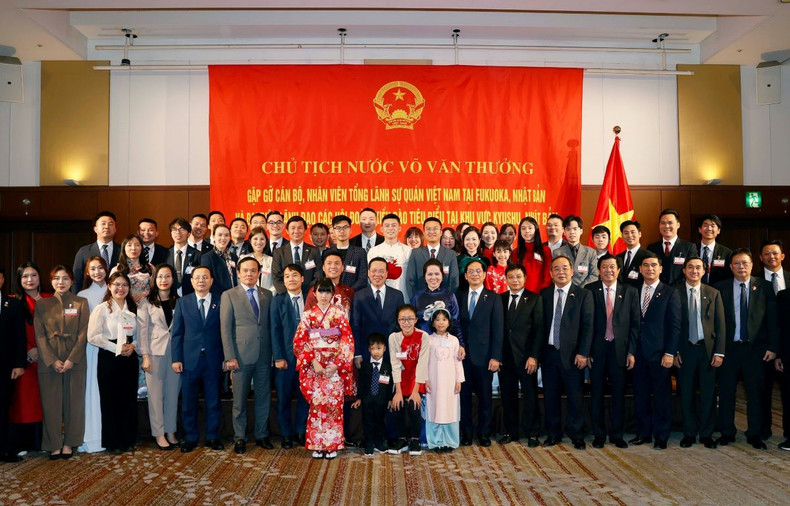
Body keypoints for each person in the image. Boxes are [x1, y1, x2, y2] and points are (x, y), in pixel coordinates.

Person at [714, 249, 778, 449]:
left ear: (752, 265)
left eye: (745, 263)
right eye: (737, 264)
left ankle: (755, 433)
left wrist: (773, 347)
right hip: (729, 349)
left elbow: (773, 320)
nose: (741, 267)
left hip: (756, 350)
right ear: (731, 266)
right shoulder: (719, 288)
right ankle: (727, 432)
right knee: (726, 392)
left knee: (755, 393)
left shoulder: (765, 287)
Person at [293, 278, 355, 459]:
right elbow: (299, 341)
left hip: (335, 365)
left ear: (332, 294)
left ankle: (333, 443)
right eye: (321, 291)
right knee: (317, 405)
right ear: (314, 293)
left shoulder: (339, 313)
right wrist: (313, 362)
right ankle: (317, 444)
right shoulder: (308, 315)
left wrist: (337, 363)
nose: (324, 295)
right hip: (315, 364)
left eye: (328, 291)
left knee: (334, 405)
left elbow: (347, 340)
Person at [34, 265, 89, 459]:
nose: (61, 282)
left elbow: (83, 334)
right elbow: (39, 336)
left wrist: (72, 360)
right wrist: (52, 360)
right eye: (57, 278)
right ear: (51, 281)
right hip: (50, 362)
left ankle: (70, 442)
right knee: (51, 405)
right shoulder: (42, 305)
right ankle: (53, 443)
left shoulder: (81, 302)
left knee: (74, 404)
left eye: (65, 278)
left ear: (71, 281)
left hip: (75, 361)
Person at [221, 257, 274, 454]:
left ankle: (261, 435)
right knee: (239, 400)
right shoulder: (229, 295)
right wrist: (230, 357)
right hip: (240, 357)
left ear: (259, 273)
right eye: (245, 271)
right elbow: (225, 329)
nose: (249, 274)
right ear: (238, 273)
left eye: (253, 271)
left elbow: (269, 326)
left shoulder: (267, 294)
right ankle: (240, 437)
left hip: (263, 355)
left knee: (263, 398)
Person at [586, 254, 640, 449]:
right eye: (605, 267)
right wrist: (587, 351)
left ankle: (617, 435)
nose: (608, 270)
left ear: (618, 270)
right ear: (599, 270)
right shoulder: (589, 290)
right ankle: (599, 434)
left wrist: (631, 351)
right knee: (596, 394)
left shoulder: (630, 292)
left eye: (612, 267)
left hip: (620, 350)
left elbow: (635, 325)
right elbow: (586, 324)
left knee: (619, 394)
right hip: (597, 351)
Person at [540, 256, 593, 449]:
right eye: (556, 269)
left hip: (573, 356)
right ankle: (553, 433)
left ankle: (576, 433)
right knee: (551, 396)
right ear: (551, 273)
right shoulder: (544, 294)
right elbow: (540, 326)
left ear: (572, 271)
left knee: (575, 397)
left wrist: (583, 353)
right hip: (549, 354)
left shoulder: (583, 295)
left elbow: (588, 326)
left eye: (565, 268)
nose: (561, 272)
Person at [171, 265, 225, 453]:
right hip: (189, 360)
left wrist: (226, 357)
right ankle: (190, 437)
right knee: (188, 402)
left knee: (213, 400)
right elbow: (177, 334)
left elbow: (225, 332)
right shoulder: (182, 303)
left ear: (211, 281)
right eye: (197, 278)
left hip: (213, 359)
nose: (201, 281)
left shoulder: (220, 301)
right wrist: (176, 358)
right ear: (192, 281)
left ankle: (213, 436)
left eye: (205, 277)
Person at [630, 251, 681, 450]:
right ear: (640, 269)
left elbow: (674, 326)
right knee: (640, 395)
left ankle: (661, 435)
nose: (649, 269)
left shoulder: (670, 292)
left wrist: (670, 353)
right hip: (637, 354)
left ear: (660, 268)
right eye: (645, 265)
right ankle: (643, 433)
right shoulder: (632, 290)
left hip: (660, 354)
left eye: (654, 265)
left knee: (661, 396)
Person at [674, 257, 725, 449]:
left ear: (705, 271)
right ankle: (688, 433)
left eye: (698, 268)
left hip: (707, 351)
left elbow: (721, 326)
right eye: (691, 267)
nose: (695, 271)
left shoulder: (713, 293)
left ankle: (706, 433)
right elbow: (672, 325)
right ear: (684, 271)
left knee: (708, 394)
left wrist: (719, 353)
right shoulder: (675, 293)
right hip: (684, 350)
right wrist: (674, 350)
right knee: (685, 394)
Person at [87, 272, 140, 454]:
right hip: (109, 357)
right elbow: (93, 336)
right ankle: (113, 441)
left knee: (128, 399)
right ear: (109, 286)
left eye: (125, 285)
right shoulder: (102, 308)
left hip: (129, 357)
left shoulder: (133, 308)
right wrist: (115, 348)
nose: (121, 288)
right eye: (117, 284)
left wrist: (133, 346)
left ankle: (128, 439)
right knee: (110, 400)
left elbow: (139, 335)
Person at [457, 259, 503, 447]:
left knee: (485, 398)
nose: (475, 274)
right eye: (471, 271)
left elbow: (498, 329)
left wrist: (496, 356)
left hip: (485, 357)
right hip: (462, 357)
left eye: (478, 271)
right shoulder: (458, 295)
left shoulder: (493, 297)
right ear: (466, 276)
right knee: (464, 397)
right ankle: (467, 433)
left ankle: (484, 433)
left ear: (484, 274)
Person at [498, 264, 543, 447]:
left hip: (526, 358)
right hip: (505, 357)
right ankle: (511, 432)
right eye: (511, 277)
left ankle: (532, 433)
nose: (515, 280)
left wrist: (534, 356)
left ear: (524, 278)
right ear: (506, 279)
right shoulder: (499, 299)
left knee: (530, 396)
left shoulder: (534, 299)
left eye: (518, 277)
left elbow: (539, 330)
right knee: (508, 397)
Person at [137, 264, 181, 451]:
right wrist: (144, 356)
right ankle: (159, 433)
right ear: (155, 280)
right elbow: (142, 331)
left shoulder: (179, 301)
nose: (164, 280)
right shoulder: (146, 302)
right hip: (154, 353)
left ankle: (171, 430)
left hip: (175, 354)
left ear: (173, 279)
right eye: (160, 276)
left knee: (172, 394)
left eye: (168, 276)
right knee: (155, 397)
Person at [9, 262, 50, 454]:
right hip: (24, 361)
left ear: (40, 278)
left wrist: (43, 350)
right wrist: (28, 351)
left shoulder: (51, 300)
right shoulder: (12, 301)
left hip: (47, 358)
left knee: (45, 401)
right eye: (25, 276)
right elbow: (11, 333)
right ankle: (22, 443)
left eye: (33, 275)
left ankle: (41, 442)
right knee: (24, 402)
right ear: (19, 280)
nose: (29, 279)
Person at [270, 264, 310, 449]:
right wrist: (278, 357)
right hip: (285, 359)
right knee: (284, 398)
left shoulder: (312, 300)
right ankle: (286, 434)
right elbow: (275, 330)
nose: (291, 279)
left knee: (305, 398)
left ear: (302, 278)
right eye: (287, 276)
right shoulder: (277, 301)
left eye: (295, 275)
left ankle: (301, 432)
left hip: (308, 360)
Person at [76, 256, 109, 454]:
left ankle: (108, 434)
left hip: (111, 347)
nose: (97, 272)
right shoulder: (82, 294)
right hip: (91, 347)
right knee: (91, 391)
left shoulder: (114, 290)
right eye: (93, 269)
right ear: (87, 272)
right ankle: (91, 436)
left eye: (101, 268)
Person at [388, 304, 429, 456]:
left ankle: (415, 439)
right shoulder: (394, 338)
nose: (406, 322)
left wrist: (416, 390)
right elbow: (395, 364)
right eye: (402, 319)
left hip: (417, 377)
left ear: (416, 320)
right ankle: (401, 439)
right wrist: (398, 391)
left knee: (413, 405)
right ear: (398, 321)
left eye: (410, 319)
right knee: (397, 404)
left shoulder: (423, 336)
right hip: (400, 378)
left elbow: (422, 363)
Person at [424, 308, 464, 453]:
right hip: (433, 381)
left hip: (450, 381)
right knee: (434, 409)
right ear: (433, 323)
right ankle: (435, 442)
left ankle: (450, 441)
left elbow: (457, 362)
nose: (441, 322)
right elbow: (425, 362)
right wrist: (425, 379)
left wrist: (459, 380)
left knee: (450, 409)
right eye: (437, 319)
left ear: (449, 322)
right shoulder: (428, 339)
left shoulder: (454, 340)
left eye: (444, 319)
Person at [351, 257, 405, 366]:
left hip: (391, 351)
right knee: (367, 382)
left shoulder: (397, 295)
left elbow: (401, 325)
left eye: (381, 271)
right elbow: (355, 325)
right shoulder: (359, 296)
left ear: (386, 274)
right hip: (367, 351)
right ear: (368, 273)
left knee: (388, 382)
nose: (377, 275)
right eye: (374, 271)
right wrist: (357, 354)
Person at [761, 239, 788, 440]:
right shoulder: (754, 282)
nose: (772, 257)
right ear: (760, 258)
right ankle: (764, 429)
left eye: (775, 253)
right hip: (763, 347)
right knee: (763, 391)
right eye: (767, 254)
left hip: (787, 347)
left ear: (782, 256)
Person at [410, 259, 465, 357]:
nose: (433, 277)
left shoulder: (449, 295)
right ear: (425, 277)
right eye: (429, 274)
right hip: (422, 345)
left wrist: (461, 344)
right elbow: (412, 323)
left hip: (445, 347)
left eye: (437, 274)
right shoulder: (417, 296)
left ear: (442, 276)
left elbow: (456, 322)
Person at [0, 268, 26, 462]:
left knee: (3, 408)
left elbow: (20, 337)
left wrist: (19, 364)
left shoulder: (13, 305)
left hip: (6, 366)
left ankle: (4, 449)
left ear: (2, 279)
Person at [352, 333, 393, 455]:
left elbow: (390, 384)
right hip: (367, 400)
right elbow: (362, 383)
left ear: (384, 348)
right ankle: (369, 443)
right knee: (368, 422)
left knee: (380, 422)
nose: (376, 352)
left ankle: (379, 442)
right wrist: (359, 398)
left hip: (382, 400)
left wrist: (390, 399)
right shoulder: (365, 365)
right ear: (369, 349)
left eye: (379, 348)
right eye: (373, 348)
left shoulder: (388, 366)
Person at [405, 217, 460, 297]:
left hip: (444, 304)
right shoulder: (416, 253)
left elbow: (454, 282)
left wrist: (447, 301)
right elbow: (410, 281)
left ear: (441, 232)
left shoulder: (450, 254)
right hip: (421, 303)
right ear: (424, 232)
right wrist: (416, 301)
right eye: (428, 229)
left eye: (435, 229)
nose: (431, 232)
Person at [272, 215, 323, 294]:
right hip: (286, 297)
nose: (296, 231)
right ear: (287, 231)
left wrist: (307, 294)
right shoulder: (279, 252)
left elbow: (318, 275)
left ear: (305, 230)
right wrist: (290, 295)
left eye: (300, 228)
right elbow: (276, 277)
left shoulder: (314, 251)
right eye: (293, 228)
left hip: (308, 295)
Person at [647, 209, 698, 286]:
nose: (666, 226)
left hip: (679, 291)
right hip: (657, 291)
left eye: (670, 223)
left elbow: (692, 271)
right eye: (663, 223)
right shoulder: (652, 248)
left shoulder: (689, 247)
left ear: (678, 225)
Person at [72, 211, 120, 292]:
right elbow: (76, 280)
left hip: (117, 297)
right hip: (90, 298)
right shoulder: (84, 251)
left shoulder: (123, 250)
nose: (107, 227)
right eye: (103, 223)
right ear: (95, 229)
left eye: (111, 224)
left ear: (115, 229)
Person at [368, 213, 411, 298]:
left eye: (393, 225)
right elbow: (369, 277)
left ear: (399, 228)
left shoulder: (408, 251)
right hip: (380, 297)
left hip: (403, 296)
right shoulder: (373, 251)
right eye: (387, 225)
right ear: (381, 229)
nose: (390, 228)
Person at [323, 215, 368, 292]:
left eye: (345, 227)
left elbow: (363, 278)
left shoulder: (360, 252)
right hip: (330, 295)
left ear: (350, 230)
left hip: (353, 295)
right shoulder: (327, 252)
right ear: (333, 232)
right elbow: (324, 276)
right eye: (338, 228)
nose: (342, 231)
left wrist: (348, 291)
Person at [554, 215, 599, 287]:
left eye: (575, 229)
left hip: (584, 291)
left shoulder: (591, 252)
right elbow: (555, 274)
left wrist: (580, 289)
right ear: (564, 232)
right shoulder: (557, 253)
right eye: (568, 229)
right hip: (564, 290)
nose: (572, 232)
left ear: (581, 231)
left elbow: (594, 275)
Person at [511, 216, 552, 293]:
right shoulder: (516, 252)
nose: (527, 231)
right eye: (523, 228)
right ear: (520, 232)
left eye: (530, 228)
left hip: (541, 293)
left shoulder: (545, 250)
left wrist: (543, 291)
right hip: (522, 293)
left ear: (536, 230)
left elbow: (548, 274)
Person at [112, 234, 154, 302]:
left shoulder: (150, 268)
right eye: (129, 245)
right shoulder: (117, 269)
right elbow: (112, 290)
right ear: (124, 248)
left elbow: (155, 289)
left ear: (141, 248)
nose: (133, 248)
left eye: (137, 245)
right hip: (124, 304)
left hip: (146, 305)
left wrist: (144, 294)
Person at [167, 217, 201, 296]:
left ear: (189, 234)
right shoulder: (165, 254)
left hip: (190, 295)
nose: (178, 232)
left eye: (182, 229)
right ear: (171, 233)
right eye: (174, 229)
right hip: (170, 296)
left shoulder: (197, 254)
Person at [200, 224, 238, 296]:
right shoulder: (207, 257)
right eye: (220, 235)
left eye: (226, 235)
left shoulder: (234, 257)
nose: (223, 238)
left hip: (234, 296)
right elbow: (207, 281)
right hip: (217, 297)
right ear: (214, 237)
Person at [698, 214, 732, 285]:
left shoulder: (727, 253)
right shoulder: (691, 249)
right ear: (700, 229)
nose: (709, 228)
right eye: (706, 225)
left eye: (713, 226)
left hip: (717, 291)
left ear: (718, 230)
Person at [775, 287, 790, 451]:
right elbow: (778, 326)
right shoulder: (784, 295)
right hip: (788, 354)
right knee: (788, 395)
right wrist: (778, 355)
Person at [239, 226, 275, 293]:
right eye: (255, 239)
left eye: (262, 239)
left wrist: (267, 295)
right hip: (247, 296)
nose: (258, 242)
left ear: (266, 241)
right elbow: (239, 280)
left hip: (268, 298)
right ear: (250, 241)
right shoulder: (243, 258)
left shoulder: (271, 260)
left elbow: (275, 282)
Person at [456, 226, 489, 292]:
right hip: (461, 296)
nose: (471, 242)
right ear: (463, 240)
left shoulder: (485, 260)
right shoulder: (457, 260)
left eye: (474, 239)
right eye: (467, 239)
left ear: (479, 241)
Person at [617, 220, 647, 287]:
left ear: (639, 234)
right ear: (622, 235)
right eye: (626, 233)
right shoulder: (618, 257)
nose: (630, 235)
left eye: (632, 232)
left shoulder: (648, 256)